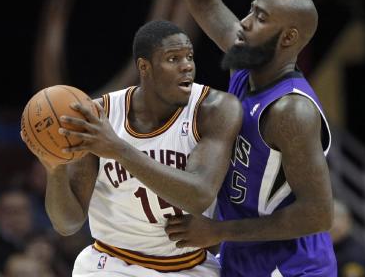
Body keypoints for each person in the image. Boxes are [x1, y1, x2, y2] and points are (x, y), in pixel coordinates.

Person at [22, 20, 242, 276]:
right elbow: (67, 224)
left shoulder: (214, 109)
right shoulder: (98, 115)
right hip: (110, 264)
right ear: (144, 67)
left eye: (189, 57)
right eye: (173, 59)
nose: (187, 66)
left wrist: (118, 149)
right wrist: (55, 169)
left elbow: (199, 195)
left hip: (187, 266)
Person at [164, 0, 337, 276]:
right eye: (250, 10)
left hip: (293, 267)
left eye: (260, 18)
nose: (243, 22)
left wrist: (219, 231)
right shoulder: (247, 62)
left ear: (288, 38)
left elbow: (318, 214)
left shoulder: (291, 111)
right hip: (244, 255)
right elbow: (206, 3)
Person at [330, 200, 365, 277]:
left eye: (335, 229)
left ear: (347, 222)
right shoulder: (324, 249)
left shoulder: (355, 254)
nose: (333, 227)